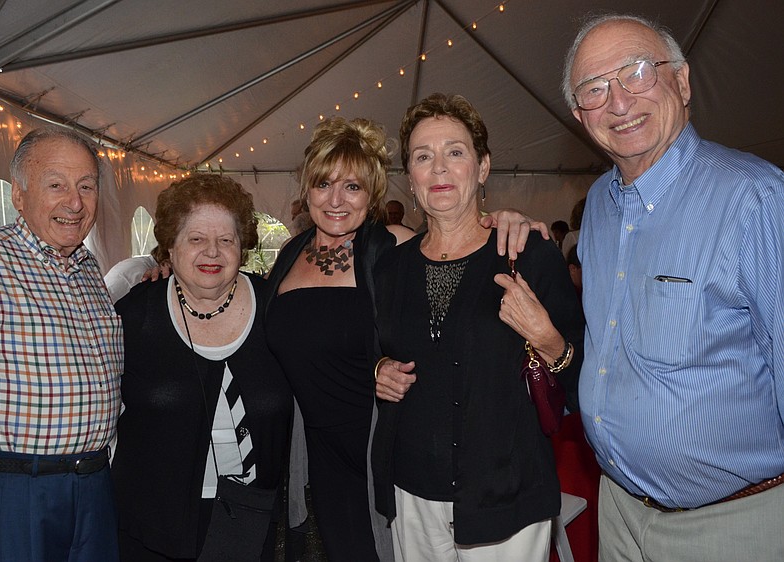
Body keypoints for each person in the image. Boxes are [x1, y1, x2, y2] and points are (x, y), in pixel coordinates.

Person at [263, 116, 550, 561]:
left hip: (379, 445)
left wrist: (507, 220)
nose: (336, 200)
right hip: (321, 453)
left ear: (374, 193)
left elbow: (454, 249)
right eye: (323, 184)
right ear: (307, 190)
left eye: (353, 187)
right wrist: (169, 277)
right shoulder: (288, 256)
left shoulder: (390, 247)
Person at [564, 14, 784, 561]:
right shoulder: (597, 206)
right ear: (578, 115)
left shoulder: (754, 198)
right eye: (595, 89)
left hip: (731, 525)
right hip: (617, 510)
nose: (618, 102)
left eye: (637, 73)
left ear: (682, 83)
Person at [371, 93, 584, 561]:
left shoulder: (528, 255)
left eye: (455, 152)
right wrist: (379, 368)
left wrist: (547, 339)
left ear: (483, 167)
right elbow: (375, 348)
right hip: (413, 489)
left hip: (505, 494)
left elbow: (582, 376)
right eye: (424, 157)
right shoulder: (391, 269)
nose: (439, 169)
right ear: (411, 179)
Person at [0, 128, 123, 561]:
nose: (74, 203)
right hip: (14, 494)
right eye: (55, 185)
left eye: (86, 187)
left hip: (93, 489)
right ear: (18, 196)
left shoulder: (90, 269)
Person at [111, 175, 293, 561]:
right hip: (151, 530)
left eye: (226, 240)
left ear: (241, 247)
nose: (212, 252)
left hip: (249, 524)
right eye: (195, 239)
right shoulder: (133, 317)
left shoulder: (277, 311)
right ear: (169, 249)